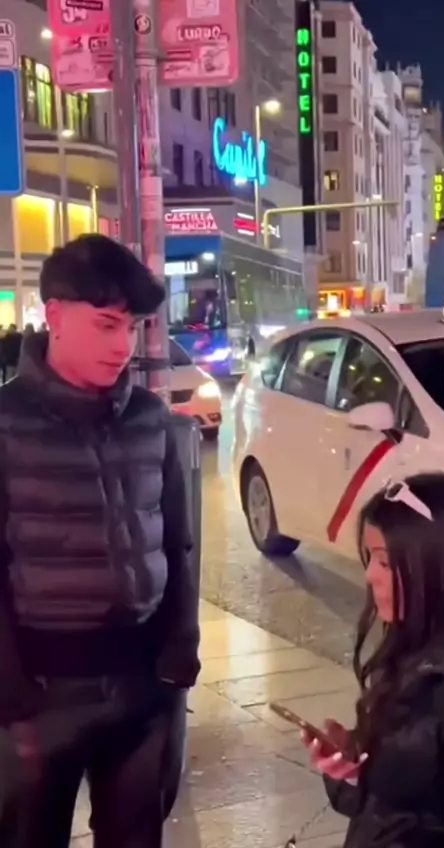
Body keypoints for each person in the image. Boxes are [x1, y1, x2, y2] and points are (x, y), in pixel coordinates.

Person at [0, 234, 200, 847]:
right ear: (55, 315)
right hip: (39, 694)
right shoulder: (7, 423)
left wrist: (179, 646)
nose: (123, 346)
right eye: (107, 325)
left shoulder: (151, 419)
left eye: (133, 327)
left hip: (145, 685)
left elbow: (177, 542)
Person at [304, 472, 444, 847]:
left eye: (385, 563)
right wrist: (352, 767)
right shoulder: (410, 648)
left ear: (437, 564)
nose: (369, 576)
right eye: (370, 559)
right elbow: (385, 806)